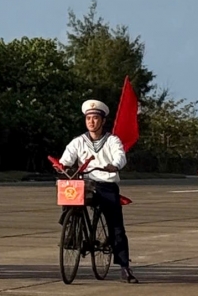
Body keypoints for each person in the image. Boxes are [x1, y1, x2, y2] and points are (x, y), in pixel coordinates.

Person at [59, 99, 138, 283]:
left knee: (116, 225)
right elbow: (66, 158)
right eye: (88, 119)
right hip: (84, 183)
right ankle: (71, 230)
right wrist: (62, 166)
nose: (91, 122)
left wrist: (114, 166)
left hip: (105, 183)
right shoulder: (79, 141)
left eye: (95, 118)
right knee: (68, 195)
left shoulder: (112, 140)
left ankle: (124, 266)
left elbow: (120, 156)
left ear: (102, 121)